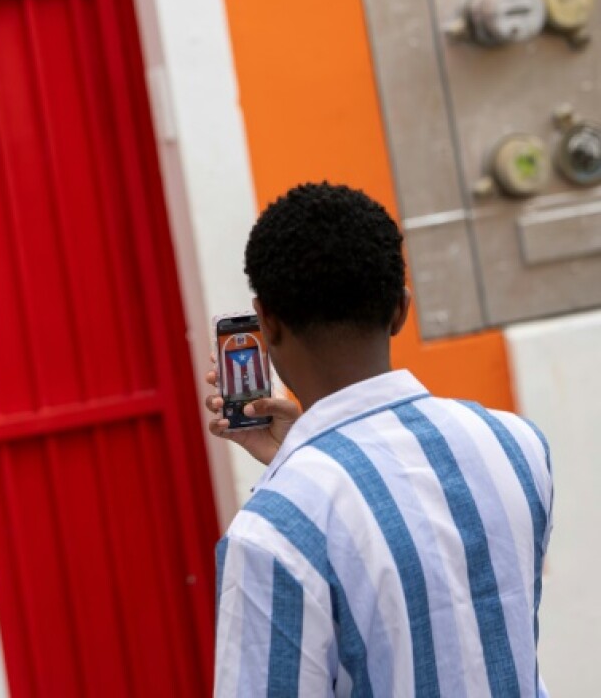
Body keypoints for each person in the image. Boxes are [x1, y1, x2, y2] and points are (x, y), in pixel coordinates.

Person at [205, 183, 552, 696]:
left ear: (268, 323)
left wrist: (304, 468)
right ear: (400, 309)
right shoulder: (517, 446)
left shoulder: (271, 533)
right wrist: (303, 457)